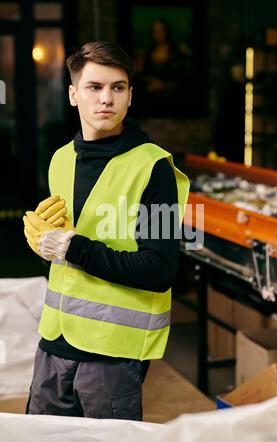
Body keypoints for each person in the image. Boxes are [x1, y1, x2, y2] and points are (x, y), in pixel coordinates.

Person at [23, 41, 190, 420]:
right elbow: (66, 249)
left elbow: (160, 270)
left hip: (112, 357)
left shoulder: (154, 168)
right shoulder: (60, 160)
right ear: (73, 94)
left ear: (130, 96)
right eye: (94, 87)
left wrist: (73, 247)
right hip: (53, 343)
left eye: (118, 88)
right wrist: (45, 245)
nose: (106, 99)